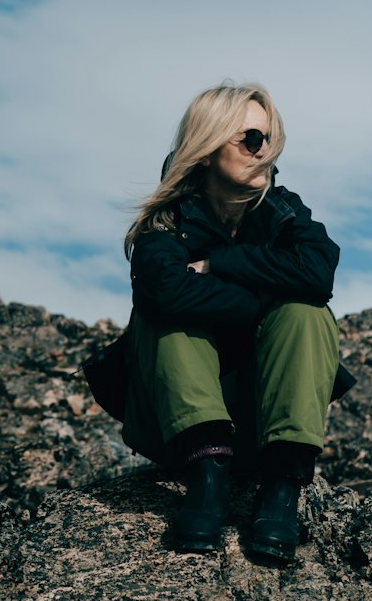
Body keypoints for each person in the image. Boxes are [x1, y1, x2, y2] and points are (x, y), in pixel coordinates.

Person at [121, 81, 348, 563]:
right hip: (173, 422)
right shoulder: (168, 221)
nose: (263, 151)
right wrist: (264, 294)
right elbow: (163, 290)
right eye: (249, 139)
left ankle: (282, 491)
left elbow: (317, 274)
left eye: (269, 139)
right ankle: (207, 482)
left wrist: (219, 266)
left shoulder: (285, 214)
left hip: (259, 421)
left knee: (305, 313)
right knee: (167, 315)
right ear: (205, 149)